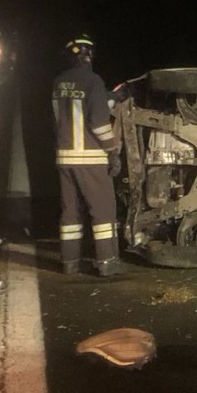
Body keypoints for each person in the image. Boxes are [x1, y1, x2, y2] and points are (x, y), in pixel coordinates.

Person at [52, 33, 124, 277]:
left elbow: (69, 112)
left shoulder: (59, 83)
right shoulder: (93, 81)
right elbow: (98, 122)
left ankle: (70, 263)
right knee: (103, 210)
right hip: (90, 159)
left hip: (64, 158)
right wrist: (112, 150)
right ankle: (107, 262)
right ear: (89, 55)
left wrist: (109, 99)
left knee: (70, 212)